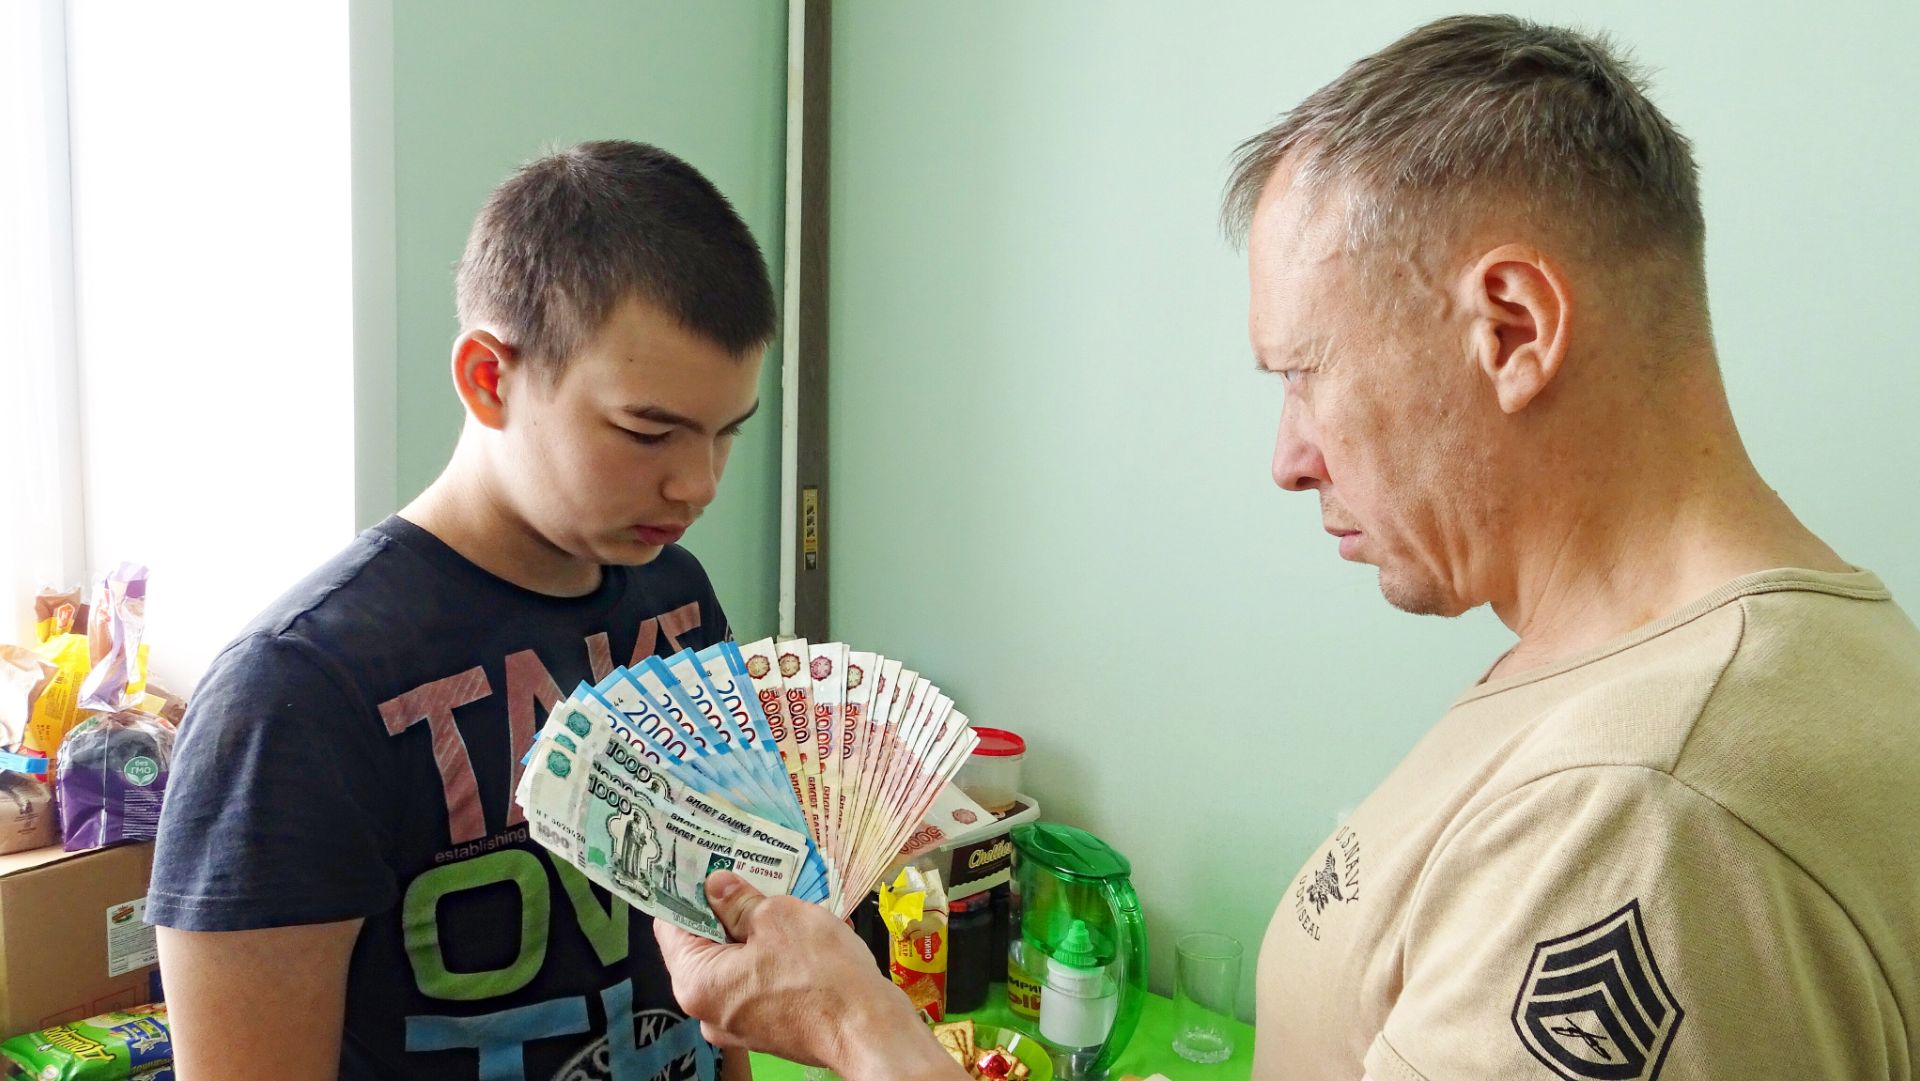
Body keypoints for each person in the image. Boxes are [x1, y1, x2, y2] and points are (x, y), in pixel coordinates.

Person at [651, 16, 1920, 1081]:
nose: (1289, 458)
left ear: (1513, 327)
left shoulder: (1646, 818)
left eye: (1305, 372)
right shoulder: (1742, 659)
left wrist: (862, 1032)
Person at [151, 140, 774, 1081]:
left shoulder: (676, 599)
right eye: (648, 431)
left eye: (726, 432)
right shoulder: (294, 695)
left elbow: (711, 946)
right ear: (489, 379)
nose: (700, 483)